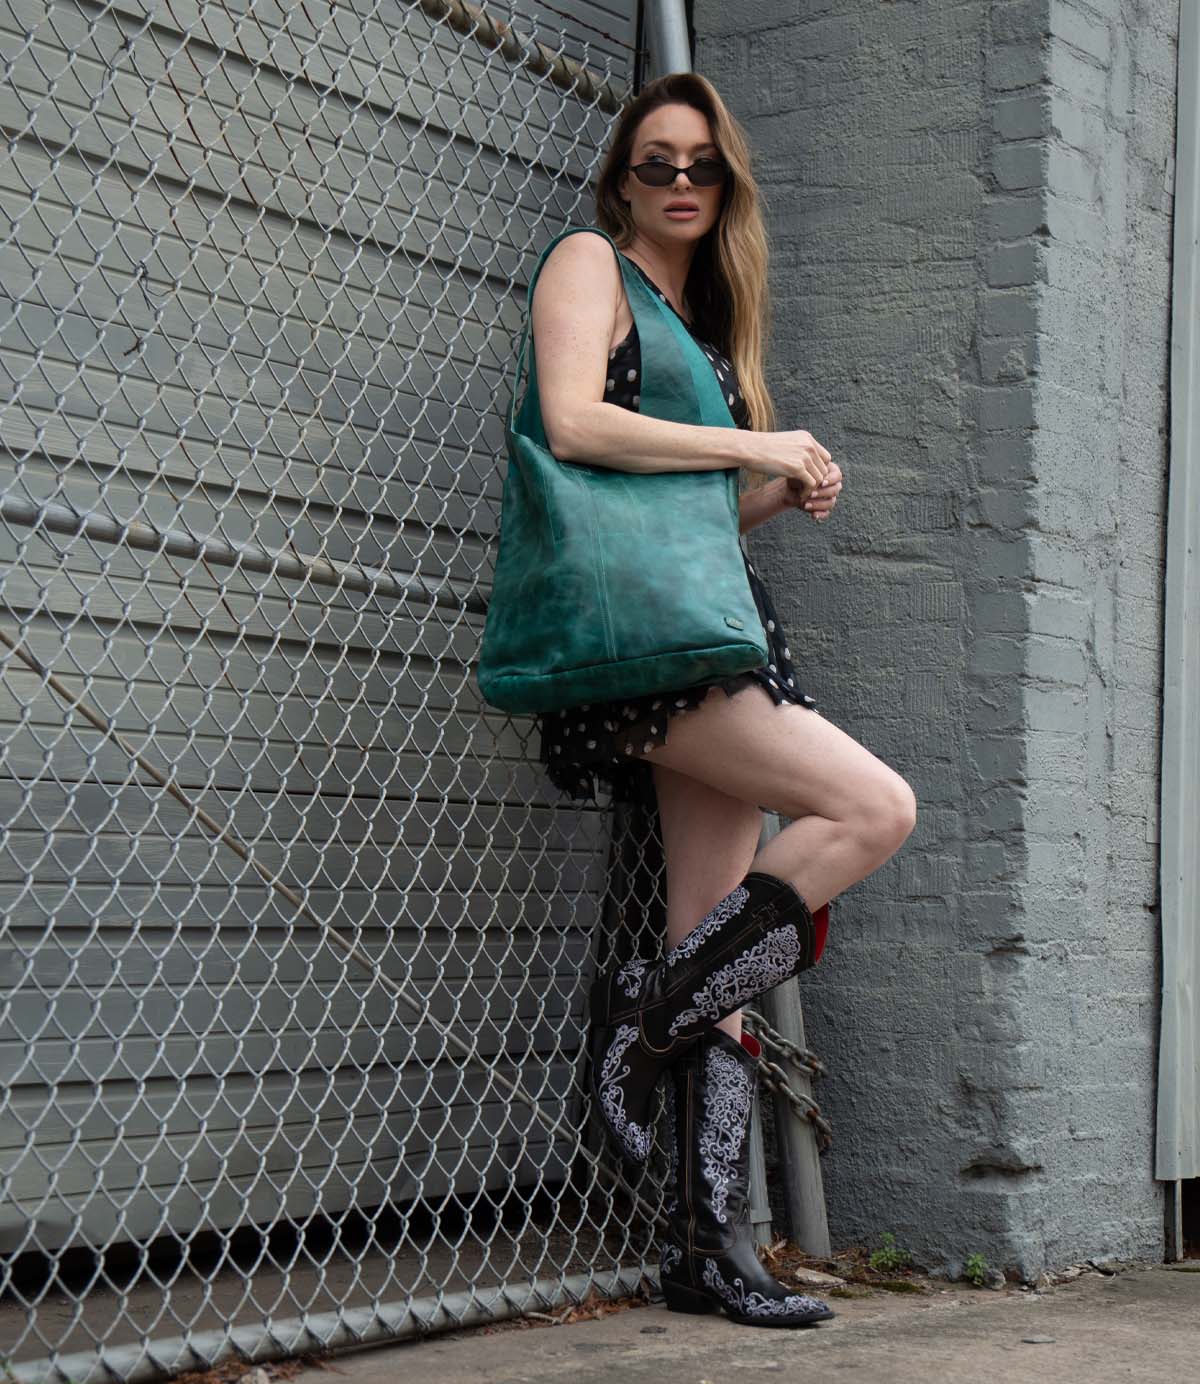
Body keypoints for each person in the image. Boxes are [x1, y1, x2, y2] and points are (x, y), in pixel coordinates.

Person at [526, 73, 917, 1328]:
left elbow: (685, 508)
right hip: (652, 649)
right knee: (872, 810)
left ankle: (710, 1243)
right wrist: (755, 443)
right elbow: (574, 424)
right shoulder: (589, 263)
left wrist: (773, 488)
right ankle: (644, 1021)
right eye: (657, 163)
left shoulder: (704, 319)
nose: (681, 183)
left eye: (702, 165)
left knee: (721, 942)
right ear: (621, 181)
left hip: (706, 622)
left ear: (727, 183)